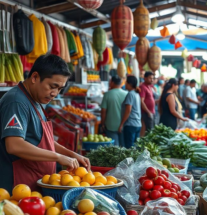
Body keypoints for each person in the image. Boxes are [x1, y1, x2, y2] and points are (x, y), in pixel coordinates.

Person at [0, 54, 90, 193]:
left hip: (32, 185)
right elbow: (14, 145)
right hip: (16, 187)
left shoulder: (35, 100)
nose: (55, 93)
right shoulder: (16, 102)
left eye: (60, 89)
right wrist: (58, 157)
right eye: (53, 86)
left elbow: (40, 140)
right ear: (35, 77)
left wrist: (72, 154)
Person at [101, 76, 127, 146]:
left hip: (110, 125)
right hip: (124, 125)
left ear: (112, 82)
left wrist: (102, 123)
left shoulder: (107, 94)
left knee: (114, 149)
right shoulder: (126, 94)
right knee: (124, 148)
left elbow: (103, 111)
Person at [118, 76, 142, 148]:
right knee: (134, 148)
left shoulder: (130, 94)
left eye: (126, 82)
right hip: (137, 124)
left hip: (130, 125)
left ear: (130, 84)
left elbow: (128, 110)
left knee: (129, 149)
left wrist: (121, 124)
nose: (125, 84)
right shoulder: (136, 93)